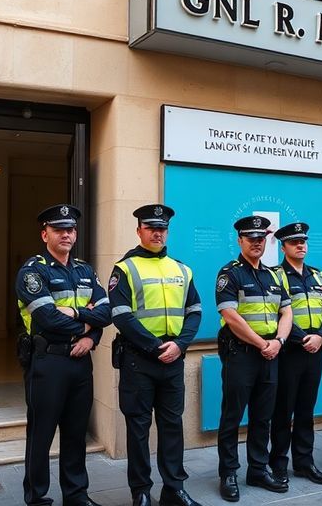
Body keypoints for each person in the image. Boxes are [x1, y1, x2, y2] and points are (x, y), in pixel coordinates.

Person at [16, 204, 111, 506]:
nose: (66, 234)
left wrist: (92, 337)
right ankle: (37, 497)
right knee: (41, 434)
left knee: (75, 432)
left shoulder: (85, 270)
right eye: (59, 229)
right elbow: (47, 318)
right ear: (45, 234)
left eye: (70, 229)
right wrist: (88, 320)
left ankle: (76, 494)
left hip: (80, 361)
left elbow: (107, 312)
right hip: (48, 361)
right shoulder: (33, 271)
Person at [109, 204, 203, 506]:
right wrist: (154, 347)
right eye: (151, 227)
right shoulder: (124, 268)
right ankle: (141, 492)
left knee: (172, 426)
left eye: (162, 228)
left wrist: (180, 345)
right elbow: (121, 316)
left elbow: (195, 311)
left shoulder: (181, 269)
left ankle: (174, 489)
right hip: (139, 360)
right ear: (139, 231)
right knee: (138, 430)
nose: (157, 232)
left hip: (173, 358)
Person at [215, 215, 293, 501]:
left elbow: (287, 311)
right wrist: (263, 343)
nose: (257, 243)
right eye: (251, 238)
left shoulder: (273, 275)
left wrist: (279, 341)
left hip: (270, 354)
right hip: (241, 355)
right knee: (232, 417)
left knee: (263, 417)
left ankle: (258, 470)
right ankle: (229, 473)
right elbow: (230, 316)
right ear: (240, 240)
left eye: (261, 238)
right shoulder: (230, 273)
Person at [268, 222, 322, 486]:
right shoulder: (276, 276)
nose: (300, 245)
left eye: (303, 241)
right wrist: (303, 338)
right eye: (294, 242)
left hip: (315, 349)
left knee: (306, 410)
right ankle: (277, 464)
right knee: (283, 410)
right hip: (289, 350)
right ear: (283, 246)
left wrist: (321, 336)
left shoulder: (319, 276)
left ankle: (304, 462)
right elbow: (276, 313)